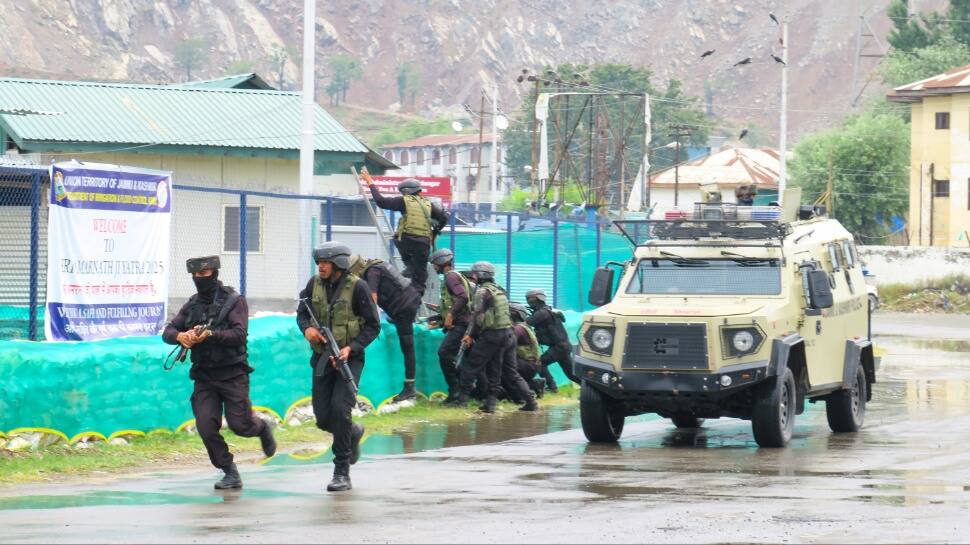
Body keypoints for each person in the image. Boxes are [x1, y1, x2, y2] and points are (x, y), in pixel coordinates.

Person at [162, 255, 276, 490]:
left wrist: (211, 335)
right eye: (194, 275)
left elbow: (239, 334)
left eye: (203, 275)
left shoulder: (233, 301)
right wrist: (181, 336)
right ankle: (229, 471)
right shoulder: (192, 304)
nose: (198, 279)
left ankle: (262, 428)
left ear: (214, 273)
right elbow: (169, 330)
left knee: (241, 426)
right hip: (204, 377)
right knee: (205, 426)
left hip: (233, 374)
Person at [297, 242, 381, 492]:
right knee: (324, 418)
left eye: (326, 262)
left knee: (340, 410)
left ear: (339, 264)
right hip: (322, 359)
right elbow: (301, 313)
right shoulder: (314, 285)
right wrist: (307, 329)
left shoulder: (358, 287)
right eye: (319, 262)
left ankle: (341, 471)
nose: (321, 266)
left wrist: (351, 348)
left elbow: (373, 326)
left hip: (349, 360)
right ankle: (352, 432)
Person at [455, 261, 538, 413]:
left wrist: (470, 335)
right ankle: (527, 402)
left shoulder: (482, 292)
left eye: (474, 273)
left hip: (492, 334)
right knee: (503, 370)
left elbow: (477, 317)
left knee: (471, 366)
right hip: (508, 334)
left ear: (479, 275)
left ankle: (462, 401)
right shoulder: (499, 290)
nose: (472, 276)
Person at [360, 168, 449, 296]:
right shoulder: (428, 204)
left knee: (404, 251)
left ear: (405, 191)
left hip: (405, 241)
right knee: (420, 278)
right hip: (423, 243)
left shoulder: (403, 201)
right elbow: (444, 217)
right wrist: (434, 234)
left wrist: (370, 182)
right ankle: (414, 300)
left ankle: (408, 270)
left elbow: (381, 201)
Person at [348, 254, 422, 403]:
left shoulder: (372, 272)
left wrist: (368, 321)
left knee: (407, 346)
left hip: (403, 309)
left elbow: (372, 299)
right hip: (411, 300)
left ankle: (409, 387)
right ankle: (410, 386)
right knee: (407, 345)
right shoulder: (377, 265)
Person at [429, 248, 473, 404]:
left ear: (441, 263)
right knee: (454, 356)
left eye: (435, 264)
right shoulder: (456, 276)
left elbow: (463, 297)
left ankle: (455, 391)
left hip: (461, 324)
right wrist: (440, 317)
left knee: (444, 353)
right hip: (462, 323)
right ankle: (460, 391)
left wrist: (450, 315)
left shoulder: (451, 277)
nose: (434, 268)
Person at [525, 288, 578, 393]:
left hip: (559, 347)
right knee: (571, 375)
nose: (529, 302)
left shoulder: (542, 313)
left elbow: (526, 323)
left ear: (537, 299)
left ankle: (552, 387)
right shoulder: (549, 310)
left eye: (530, 299)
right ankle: (589, 387)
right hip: (563, 346)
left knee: (540, 364)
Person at [509, 302, 544, 400]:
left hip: (527, 364)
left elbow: (507, 345)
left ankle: (526, 394)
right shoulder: (524, 326)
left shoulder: (518, 329)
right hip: (531, 364)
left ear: (514, 314)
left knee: (506, 368)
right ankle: (535, 384)